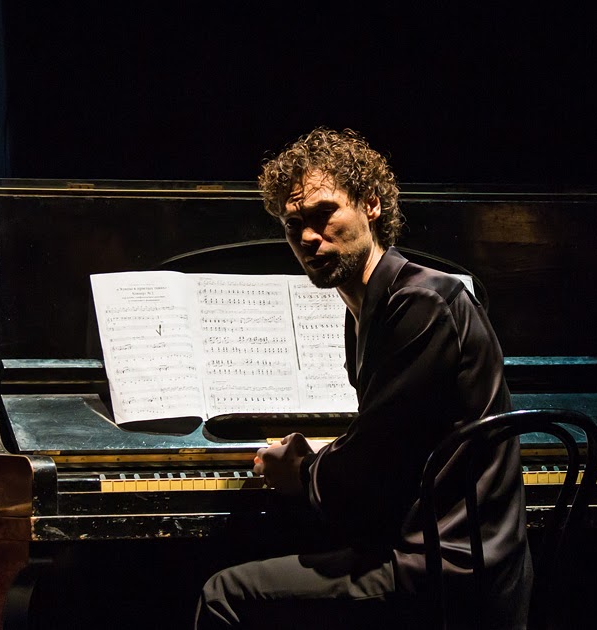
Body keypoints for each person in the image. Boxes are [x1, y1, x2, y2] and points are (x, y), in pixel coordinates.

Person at [195, 128, 532, 629]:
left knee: (223, 594)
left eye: (324, 213)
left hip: (446, 574)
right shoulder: (371, 311)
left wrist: (303, 470)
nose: (308, 237)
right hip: (427, 554)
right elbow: (393, 442)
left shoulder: (421, 304)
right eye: (293, 225)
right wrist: (325, 460)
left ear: (371, 205)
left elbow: (373, 469)